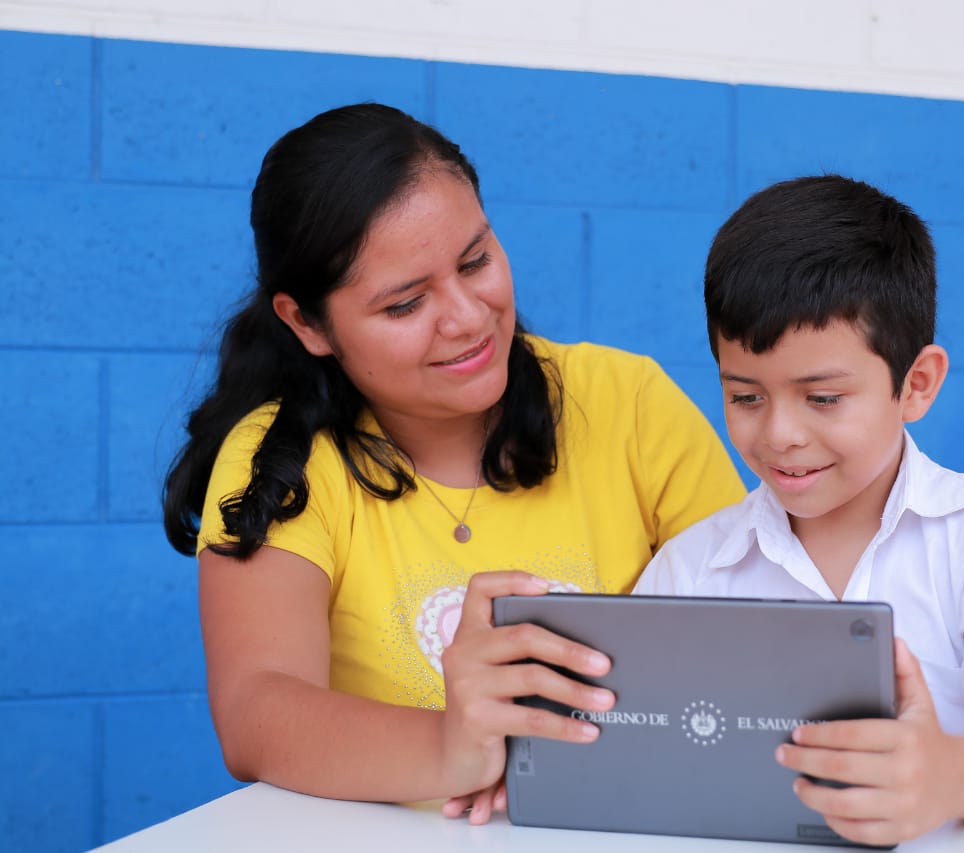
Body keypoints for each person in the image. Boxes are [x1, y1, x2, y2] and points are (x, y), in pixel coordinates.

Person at [161, 102, 745, 817]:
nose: (467, 316)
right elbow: (256, 713)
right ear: (305, 322)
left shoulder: (628, 403)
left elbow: (751, 644)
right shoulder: (279, 460)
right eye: (405, 304)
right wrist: (450, 744)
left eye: (476, 260)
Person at [633, 175, 964, 852]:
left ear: (915, 384)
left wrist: (944, 774)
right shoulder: (691, 567)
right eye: (746, 397)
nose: (780, 435)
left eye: (822, 398)